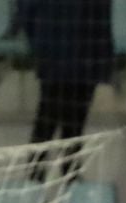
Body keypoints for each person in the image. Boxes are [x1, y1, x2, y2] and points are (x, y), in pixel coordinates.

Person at [21, 0, 112, 173]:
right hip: (78, 54)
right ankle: (55, 176)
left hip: (64, 52)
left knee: (55, 123)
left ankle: (42, 176)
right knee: (64, 124)